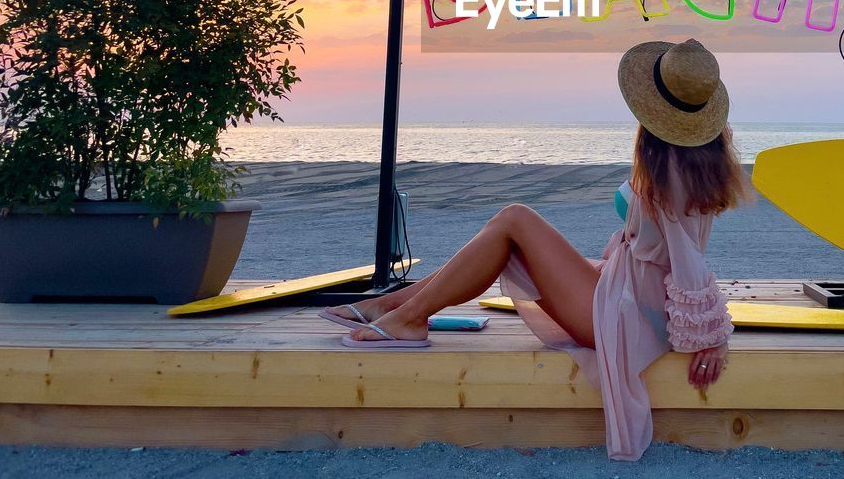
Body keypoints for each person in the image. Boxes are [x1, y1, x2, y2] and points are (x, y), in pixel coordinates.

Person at [321, 37, 753, 461]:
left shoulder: (671, 170)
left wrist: (713, 338)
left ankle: (407, 317)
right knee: (508, 232)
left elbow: (689, 262)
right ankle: (394, 306)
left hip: (625, 316)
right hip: (623, 292)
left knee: (514, 219)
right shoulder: (692, 160)